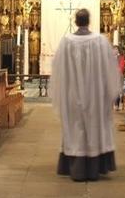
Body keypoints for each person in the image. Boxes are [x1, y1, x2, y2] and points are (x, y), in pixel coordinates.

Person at [51, 9, 119, 181]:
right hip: (96, 97)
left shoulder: (66, 42)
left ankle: (75, 167)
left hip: (72, 96)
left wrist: (63, 94)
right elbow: (111, 70)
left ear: (76, 21)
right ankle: (95, 167)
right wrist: (109, 93)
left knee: (75, 129)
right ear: (89, 21)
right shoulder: (100, 41)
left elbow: (58, 71)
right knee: (94, 128)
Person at [113, 45, 125, 110]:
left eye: (116, 49)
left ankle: (120, 103)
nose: (114, 51)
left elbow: (122, 66)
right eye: (113, 49)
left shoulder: (121, 57)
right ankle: (115, 104)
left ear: (118, 50)